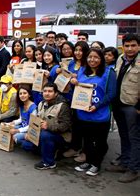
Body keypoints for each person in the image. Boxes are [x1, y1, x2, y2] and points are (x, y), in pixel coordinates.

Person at [70, 48, 117, 176]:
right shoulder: (81, 71)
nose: (92, 60)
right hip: (83, 113)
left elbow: (111, 94)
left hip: (100, 114)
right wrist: (73, 82)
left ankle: (96, 163)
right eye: (90, 57)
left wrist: (97, 106)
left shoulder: (109, 73)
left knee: (100, 142)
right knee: (87, 141)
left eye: (96, 57)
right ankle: (88, 161)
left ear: (101, 59)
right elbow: (79, 89)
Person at [106, 34, 140, 183]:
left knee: (135, 139)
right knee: (124, 136)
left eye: (133, 45)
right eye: (127, 46)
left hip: (133, 106)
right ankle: (124, 162)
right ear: (123, 46)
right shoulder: (120, 59)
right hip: (119, 104)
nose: (130, 49)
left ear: (138, 46)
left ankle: (133, 169)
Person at [20, 83, 72, 170]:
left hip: (61, 137)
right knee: (25, 145)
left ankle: (48, 162)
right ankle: (51, 151)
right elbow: (35, 122)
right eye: (45, 91)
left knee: (45, 135)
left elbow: (65, 126)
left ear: (56, 93)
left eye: (50, 91)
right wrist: (30, 134)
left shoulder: (63, 106)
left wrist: (48, 126)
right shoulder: (41, 104)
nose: (47, 93)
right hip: (43, 134)